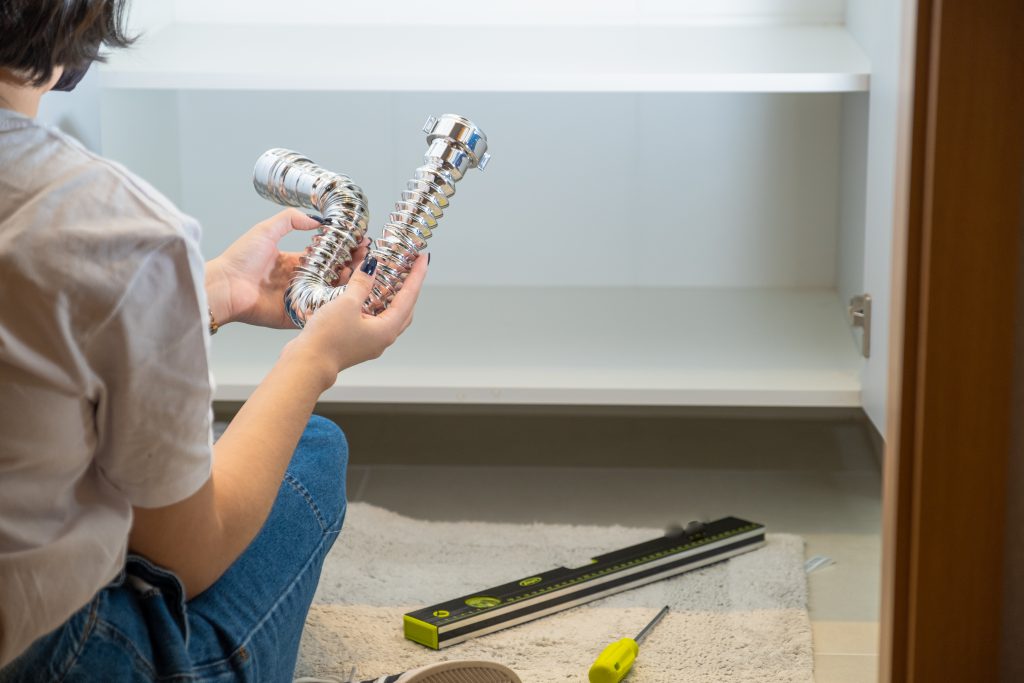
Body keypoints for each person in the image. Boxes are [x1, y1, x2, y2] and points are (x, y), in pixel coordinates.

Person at [0, 2, 519, 682]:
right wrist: (315, 358)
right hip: (62, 659)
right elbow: (182, 553)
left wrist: (209, 291)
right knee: (312, 450)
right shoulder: (110, 224)